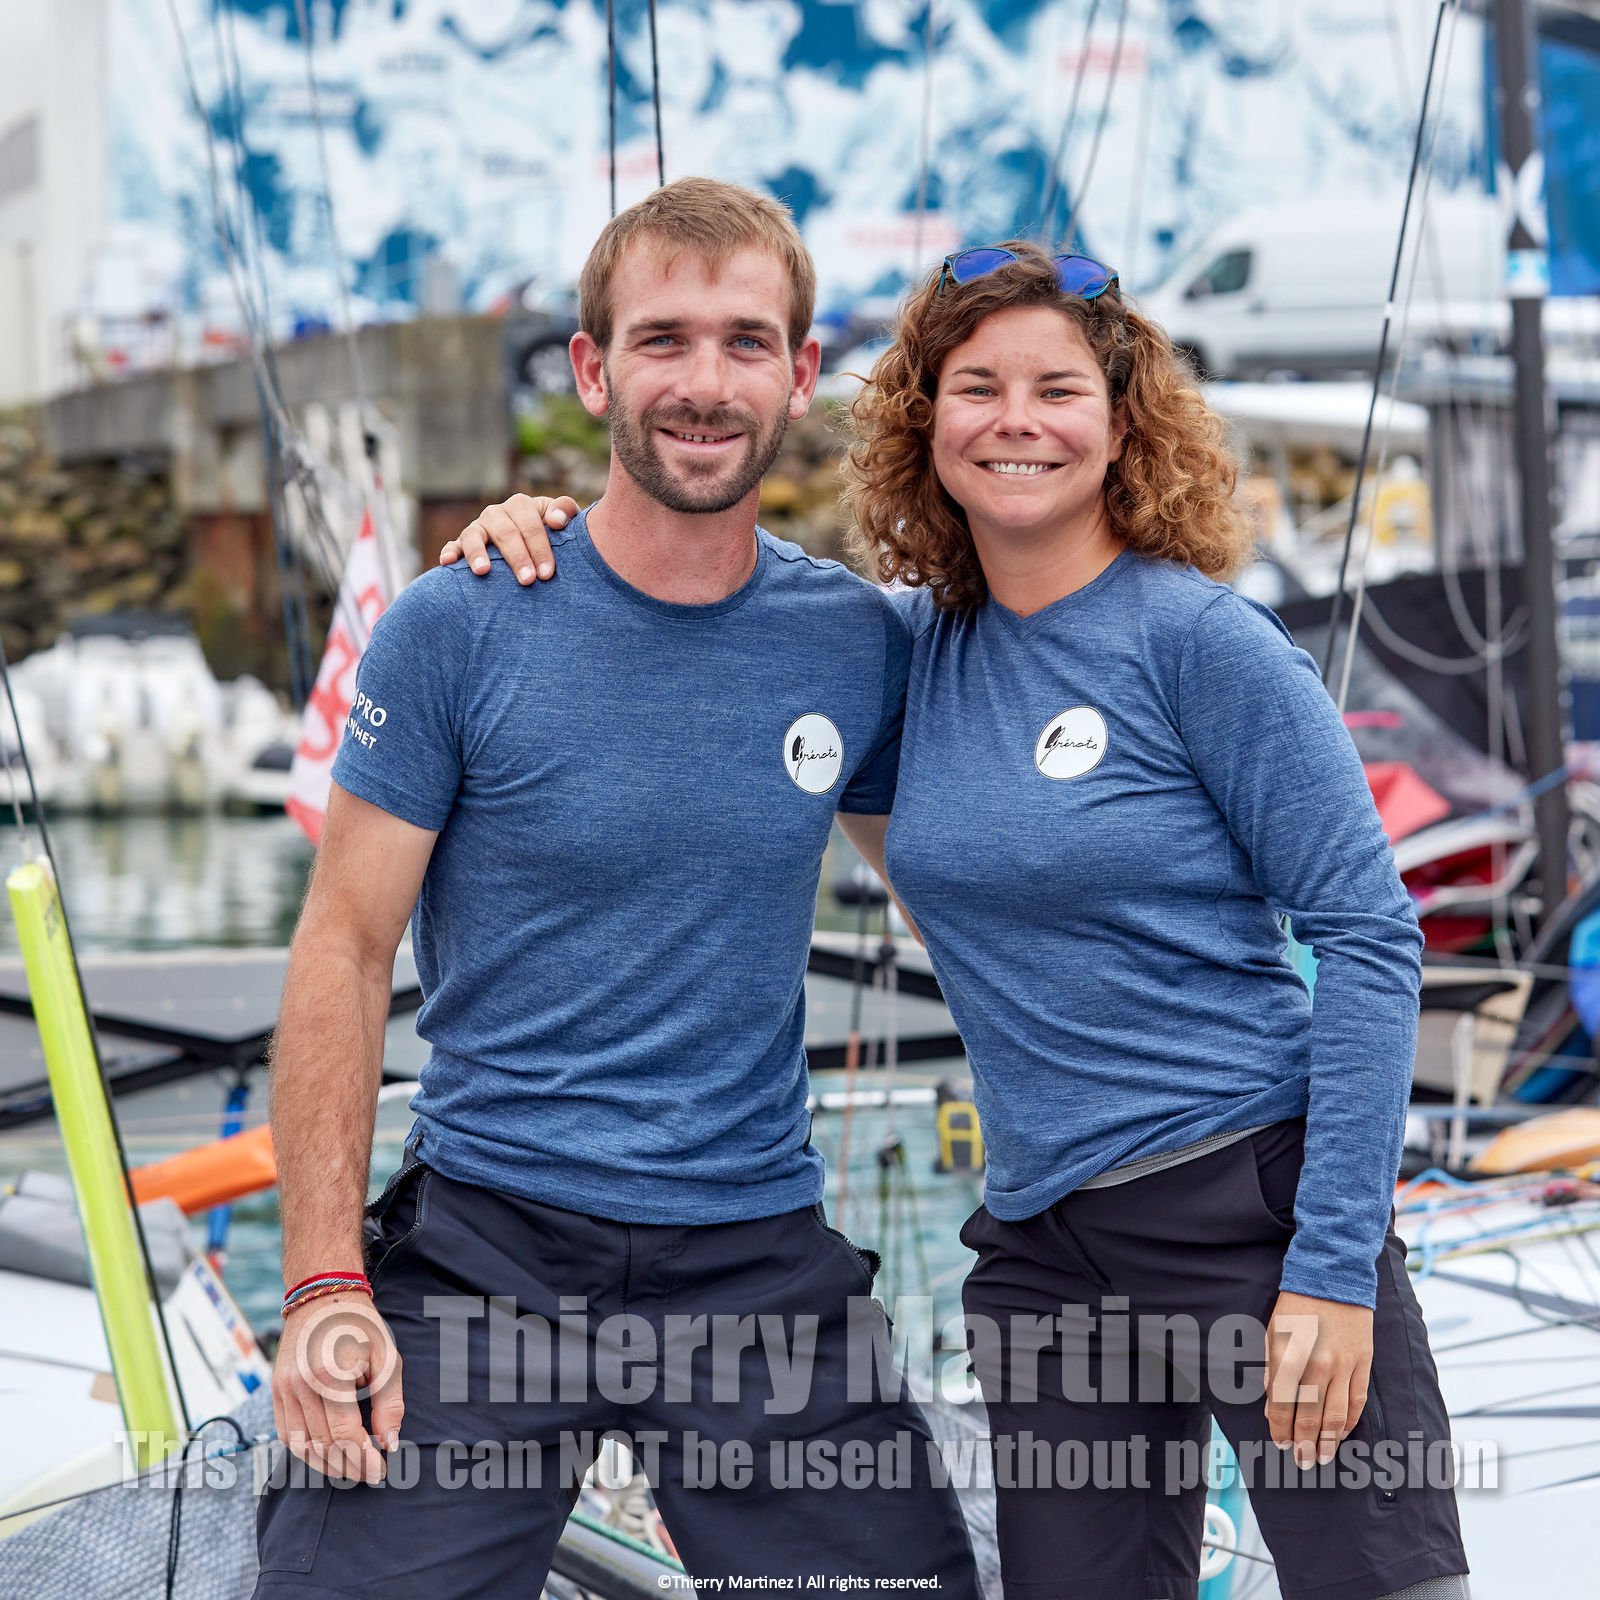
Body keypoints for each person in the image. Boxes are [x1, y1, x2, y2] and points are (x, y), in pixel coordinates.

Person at [445, 242, 1468, 1600]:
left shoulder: (1202, 643)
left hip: (1250, 1213)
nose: (1018, 419)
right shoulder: (914, 651)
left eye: (1057, 387)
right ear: (927, 424)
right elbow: (703, 595)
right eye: (977, 387)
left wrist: (1334, 1271)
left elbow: (1372, 936)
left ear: (1122, 422)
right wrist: (537, 527)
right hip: (1048, 1251)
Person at [258, 177, 979, 1599]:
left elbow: (978, 901)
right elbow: (342, 948)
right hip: (487, 1250)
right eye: (663, 340)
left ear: (795, 370)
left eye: (742, 342)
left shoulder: (859, 646)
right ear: (593, 370)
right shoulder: (459, 624)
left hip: (752, 1257)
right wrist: (324, 1284)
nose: (703, 384)